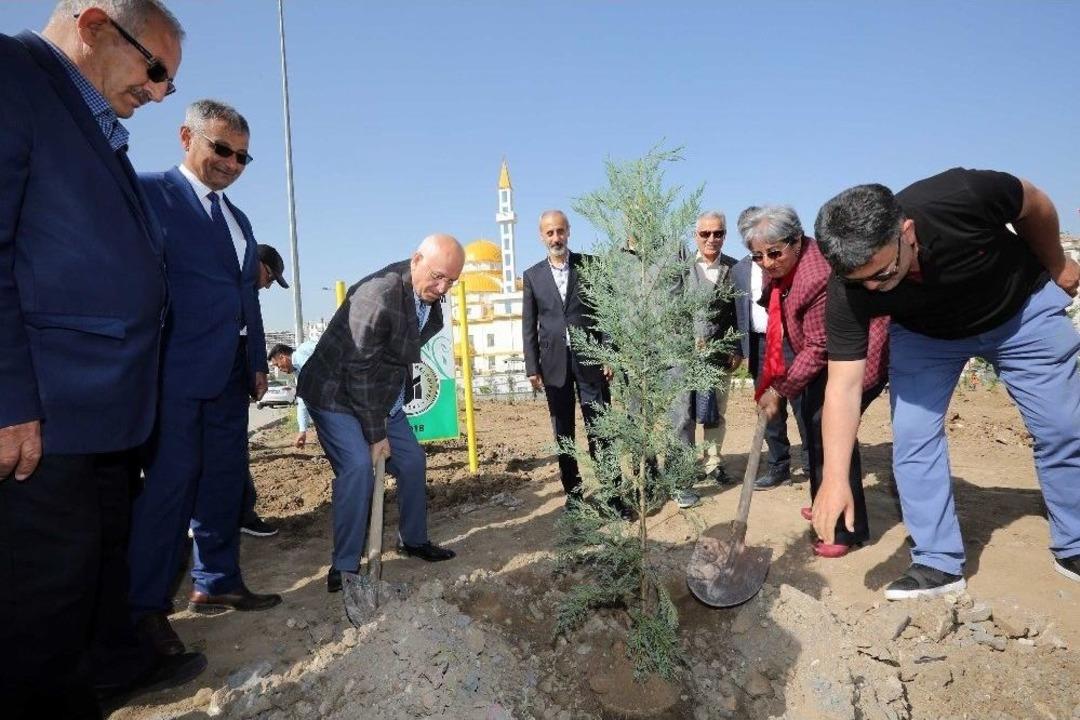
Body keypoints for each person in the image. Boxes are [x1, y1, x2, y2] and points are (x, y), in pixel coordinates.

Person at [0, 2, 203, 715]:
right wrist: (8, 401)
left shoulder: (89, 119)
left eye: (167, 85)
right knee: (43, 595)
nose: (155, 92)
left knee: (96, 564)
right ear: (91, 25)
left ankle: (114, 668)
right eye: (154, 71)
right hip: (46, 411)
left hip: (105, 413)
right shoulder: (12, 76)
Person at [813, 168, 1080, 597]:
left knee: (1063, 428)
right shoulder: (849, 289)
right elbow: (842, 386)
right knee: (913, 438)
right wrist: (834, 478)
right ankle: (937, 561)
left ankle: (1076, 542)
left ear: (908, 232)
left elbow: (1035, 203)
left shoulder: (963, 195)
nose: (874, 289)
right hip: (926, 337)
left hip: (1019, 312)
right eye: (859, 281)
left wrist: (1056, 263)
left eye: (882, 274)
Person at [127, 99, 281, 662]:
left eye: (242, 156)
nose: (232, 164)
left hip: (230, 379)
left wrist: (259, 361)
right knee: (170, 490)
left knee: (222, 481)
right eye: (221, 149)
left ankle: (216, 580)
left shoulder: (238, 220)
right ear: (186, 136)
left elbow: (246, 296)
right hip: (173, 372)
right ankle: (144, 610)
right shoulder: (148, 192)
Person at [298, 235, 463, 594]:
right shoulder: (380, 295)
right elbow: (358, 370)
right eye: (437, 276)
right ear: (415, 259)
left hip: (381, 397)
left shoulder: (427, 294)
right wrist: (376, 434)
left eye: (452, 280)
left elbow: (395, 357)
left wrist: (386, 418)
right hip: (335, 393)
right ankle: (344, 566)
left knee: (413, 460)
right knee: (358, 466)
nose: (443, 287)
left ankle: (413, 540)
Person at [737, 205, 889, 558]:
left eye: (774, 253)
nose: (767, 263)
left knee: (832, 431)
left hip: (856, 357)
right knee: (813, 424)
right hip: (827, 355)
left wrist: (779, 388)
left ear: (796, 239)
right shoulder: (788, 266)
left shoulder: (817, 274)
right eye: (757, 256)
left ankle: (844, 529)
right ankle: (825, 501)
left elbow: (821, 345)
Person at [523, 210, 612, 507]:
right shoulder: (533, 276)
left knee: (600, 428)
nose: (556, 238)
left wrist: (607, 354)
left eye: (560, 231)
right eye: (550, 233)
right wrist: (532, 367)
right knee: (564, 433)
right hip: (554, 366)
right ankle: (574, 498)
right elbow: (529, 325)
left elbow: (605, 315)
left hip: (591, 362)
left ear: (569, 232)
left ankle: (611, 494)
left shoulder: (591, 265)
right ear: (541, 236)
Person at [670, 211, 741, 509]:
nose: (712, 239)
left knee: (715, 413)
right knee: (682, 417)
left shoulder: (734, 269)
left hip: (718, 357)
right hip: (683, 359)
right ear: (695, 235)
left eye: (718, 233)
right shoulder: (681, 269)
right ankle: (682, 478)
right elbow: (671, 312)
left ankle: (713, 464)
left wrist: (735, 348)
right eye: (705, 234)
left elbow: (740, 312)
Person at [732, 251, 808, 489]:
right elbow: (736, 311)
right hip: (759, 344)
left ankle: (813, 463)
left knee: (802, 405)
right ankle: (779, 466)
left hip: (790, 341)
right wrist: (741, 348)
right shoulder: (739, 270)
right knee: (769, 408)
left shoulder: (784, 260)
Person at [237, 243, 293, 538]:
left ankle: (241, 514)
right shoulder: (227, 286)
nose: (268, 285)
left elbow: (253, 334)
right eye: (270, 277)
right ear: (257, 264)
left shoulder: (249, 294)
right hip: (213, 386)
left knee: (234, 452)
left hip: (233, 388)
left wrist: (257, 369)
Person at [268, 341, 317, 448]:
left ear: (282, 357)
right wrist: (302, 431)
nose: (279, 369)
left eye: (277, 365)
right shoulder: (298, 374)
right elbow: (302, 400)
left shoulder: (302, 353)